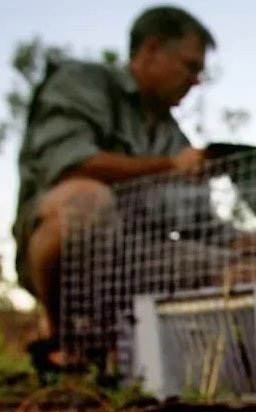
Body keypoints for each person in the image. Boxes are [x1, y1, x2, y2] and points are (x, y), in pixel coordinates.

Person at [12, 5, 216, 371]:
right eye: (190, 66)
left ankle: (178, 363)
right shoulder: (83, 82)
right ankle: (62, 340)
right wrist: (169, 167)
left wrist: (248, 241)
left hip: (137, 258)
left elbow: (202, 222)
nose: (195, 80)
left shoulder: (175, 136)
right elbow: (69, 161)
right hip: (62, 241)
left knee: (238, 267)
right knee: (87, 200)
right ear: (151, 49)